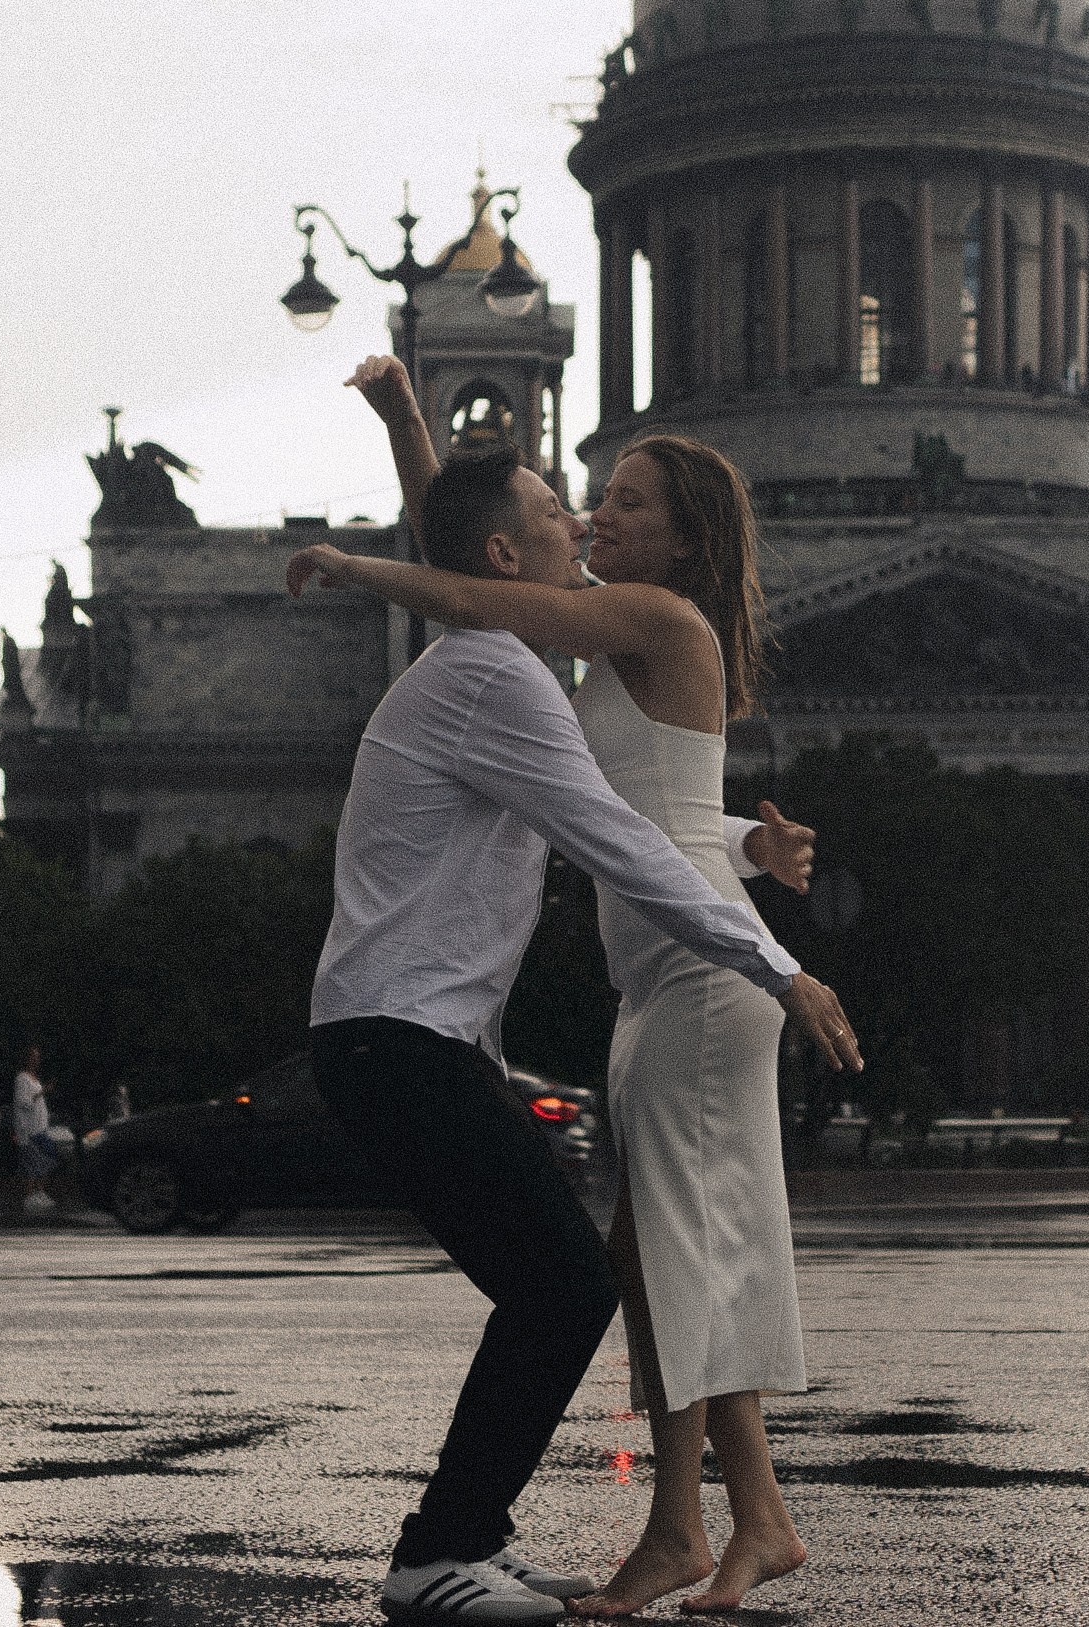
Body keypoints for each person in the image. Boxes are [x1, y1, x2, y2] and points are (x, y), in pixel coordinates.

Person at [290, 395, 861, 1626]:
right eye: (572, 505)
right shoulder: (534, 666)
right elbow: (473, 555)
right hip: (595, 986)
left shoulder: (596, 634)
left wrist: (766, 939)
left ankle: (670, 1527)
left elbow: (472, 574)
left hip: (661, 982)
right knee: (633, 1264)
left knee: (638, 1263)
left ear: (683, 533)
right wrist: (406, 431)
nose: (591, 514)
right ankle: (694, 1523)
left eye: (620, 501)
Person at [10, 1045, 69, 1213]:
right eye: (33, 1056)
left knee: (46, 1158)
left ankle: (40, 1193)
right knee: (32, 1162)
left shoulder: (34, 1077)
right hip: (29, 1129)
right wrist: (43, 1091)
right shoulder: (22, 1078)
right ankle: (30, 1197)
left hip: (40, 1127)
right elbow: (24, 1102)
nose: (36, 1059)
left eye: (37, 1056)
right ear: (26, 1058)